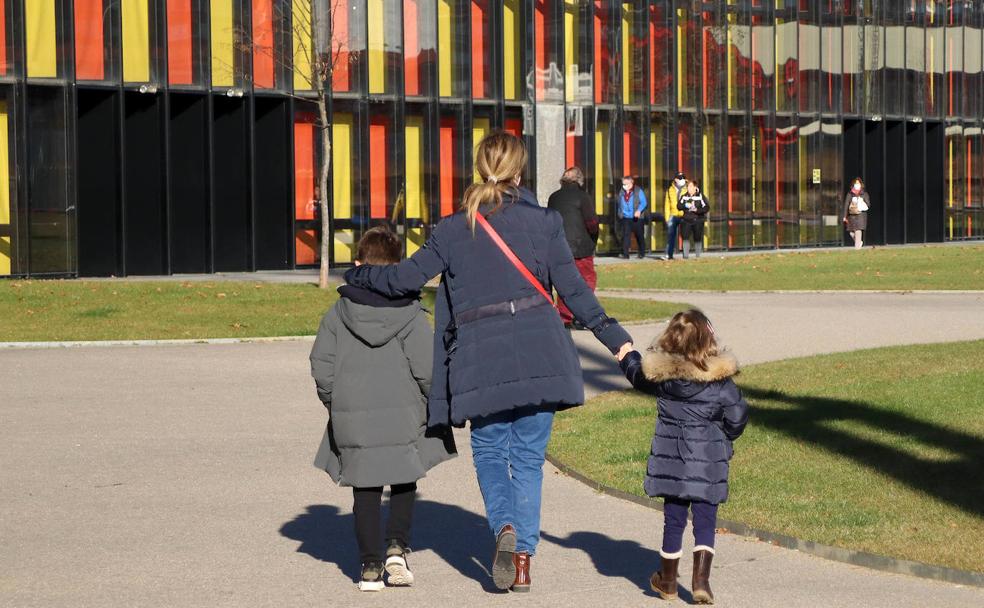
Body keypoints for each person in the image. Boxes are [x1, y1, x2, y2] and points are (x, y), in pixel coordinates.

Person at [343, 132, 633, 593]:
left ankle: (503, 528)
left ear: (481, 170)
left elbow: (403, 279)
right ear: (520, 173)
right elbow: (576, 294)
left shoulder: (455, 228)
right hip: (541, 353)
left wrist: (360, 273)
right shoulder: (545, 223)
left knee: (493, 454)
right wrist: (621, 347)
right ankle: (522, 562)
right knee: (530, 461)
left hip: (482, 364)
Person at [309, 226, 457, 592]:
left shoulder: (337, 313)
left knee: (365, 487)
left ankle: (370, 565)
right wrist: (432, 404)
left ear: (359, 263)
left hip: (353, 416)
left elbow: (321, 365)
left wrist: (335, 401)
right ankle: (396, 546)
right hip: (404, 415)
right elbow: (426, 369)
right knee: (405, 477)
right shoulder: (409, 314)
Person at [617, 309, 749, 605]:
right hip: (709, 460)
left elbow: (638, 374)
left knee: (673, 520)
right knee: (705, 519)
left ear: (671, 340)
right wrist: (724, 437)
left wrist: (626, 354)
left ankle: (667, 582)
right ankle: (701, 582)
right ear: (708, 340)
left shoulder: (664, 379)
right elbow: (738, 416)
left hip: (671, 460)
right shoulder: (721, 383)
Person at [547, 166, 599, 329]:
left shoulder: (553, 197)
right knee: (587, 280)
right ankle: (583, 314)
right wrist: (594, 238)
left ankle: (565, 317)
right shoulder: (583, 197)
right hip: (581, 247)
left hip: (558, 247)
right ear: (579, 180)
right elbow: (592, 223)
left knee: (563, 282)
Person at [618, 175, 648, 259]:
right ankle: (625, 254)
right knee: (625, 236)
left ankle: (642, 252)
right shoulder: (622, 191)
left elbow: (644, 202)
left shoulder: (638, 191)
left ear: (631, 183)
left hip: (636, 218)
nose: (624, 185)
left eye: (626, 184)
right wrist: (620, 213)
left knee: (639, 235)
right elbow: (619, 203)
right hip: (625, 217)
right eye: (623, 184)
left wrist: (639, 210)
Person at [678, 180, 709, 259]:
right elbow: (678, 206)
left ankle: (698, 256)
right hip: (686, 220)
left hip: (698, 220)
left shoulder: (700, 196)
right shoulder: (684, 196)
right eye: (688, 186)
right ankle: (685, 257)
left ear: (695, 187)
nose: (689, 188)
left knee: (697, 238)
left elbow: (706, 207)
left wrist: (697, 210)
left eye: (691, 186)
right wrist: (685, 205)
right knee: (685, 237)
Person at [663, 172, 687, 260]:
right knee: (670, 235)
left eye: (682, 178)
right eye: (679, 178)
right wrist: (667, 217)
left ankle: (686, 254)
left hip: (684, 215)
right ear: (675, 179)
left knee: (685, 235)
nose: (681, 180)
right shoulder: (670, 190)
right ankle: (669, 254)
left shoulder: (688, 188)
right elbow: (667, 205)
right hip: (673, 215)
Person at [843, 177, 870, 249]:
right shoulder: (850, 194)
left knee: (858, 231)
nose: (857, 185)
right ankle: (859, 242)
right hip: (851, 216)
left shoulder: (864, 194)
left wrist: (861, 203)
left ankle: (857, 248)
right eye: (855, 183)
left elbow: (868, 204)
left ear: (861, 184)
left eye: (858, 183)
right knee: (851, 232)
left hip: (861, 215)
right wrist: (844, 216)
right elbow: (846, 205)